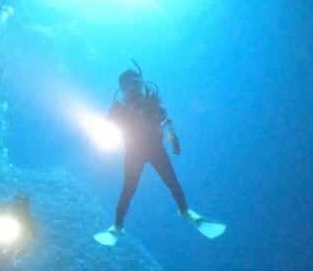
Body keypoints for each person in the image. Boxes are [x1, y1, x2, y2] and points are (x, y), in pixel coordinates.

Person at [96, 65, 224, 245]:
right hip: (135, 151)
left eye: (132, 83)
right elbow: (109, 125)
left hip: (155, 149)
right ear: (122, 89)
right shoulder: (121, 108)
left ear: (139, 82)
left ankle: (185, 211)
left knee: (173, 183)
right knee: (128, 190)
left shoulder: (151, 100)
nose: (129, 88)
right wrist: (116, 114)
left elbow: (162, 115)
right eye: (125, 85)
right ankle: (117, 226)